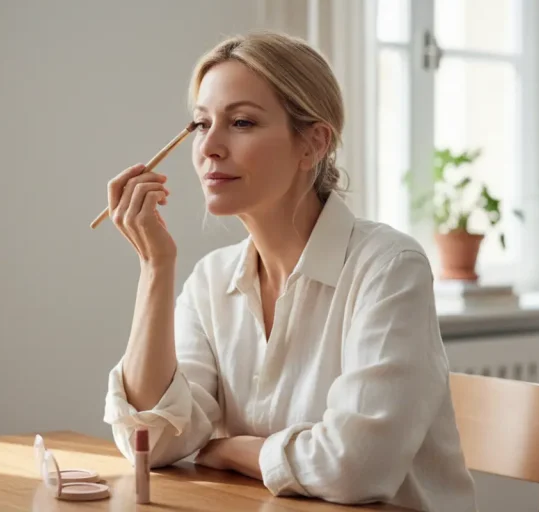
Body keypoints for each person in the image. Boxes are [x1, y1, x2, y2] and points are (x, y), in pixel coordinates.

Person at [102, 30, 477, 511]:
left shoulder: (388, 268)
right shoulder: (211, 281)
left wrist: (232, 449)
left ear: (313, 144)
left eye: (240, 122)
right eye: (200, 125)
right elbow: (152, 443)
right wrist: (155, 267)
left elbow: (356, 468)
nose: (210, 146)